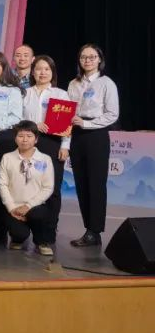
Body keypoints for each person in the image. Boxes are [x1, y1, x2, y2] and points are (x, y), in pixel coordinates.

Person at [67, 44, 119, 248]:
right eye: (83, 57)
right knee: (81, 183)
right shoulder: (73, 83)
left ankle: (95, 230)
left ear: (99, 60)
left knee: (96, 183)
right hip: (76, 134)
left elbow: (112, 114)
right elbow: (68, 110)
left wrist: (87, 124)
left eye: (92, 57)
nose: (87, 60)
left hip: (96, 134)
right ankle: (89, 230)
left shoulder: (107, 83)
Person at [23, 55, 71, 244]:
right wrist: (35, 124)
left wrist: (65, 145)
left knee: (52, 188)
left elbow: (67, 125)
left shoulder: (60, 94)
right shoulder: (25, 93)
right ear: (32, 72)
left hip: (52, 144)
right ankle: (25, 231)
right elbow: (17, 119)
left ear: (52, 72)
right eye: (38, 69)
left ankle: (49, 232)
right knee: (27, 185)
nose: (42, 73)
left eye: (46, 69)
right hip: (28, 144)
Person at [0, 120, 56, 255]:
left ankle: (41, 242)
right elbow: (2, 185)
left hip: (35, 206)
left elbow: (48, 187)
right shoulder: (7, 158)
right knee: (19, 233)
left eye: (29, 136)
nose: (24, 140)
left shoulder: (45, 159)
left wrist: (28, 206)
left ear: (36, 139)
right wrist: (12, 208)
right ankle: (17, 239)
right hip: (14, 206)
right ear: (15, 138)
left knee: (39, 215)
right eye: (21, 136)